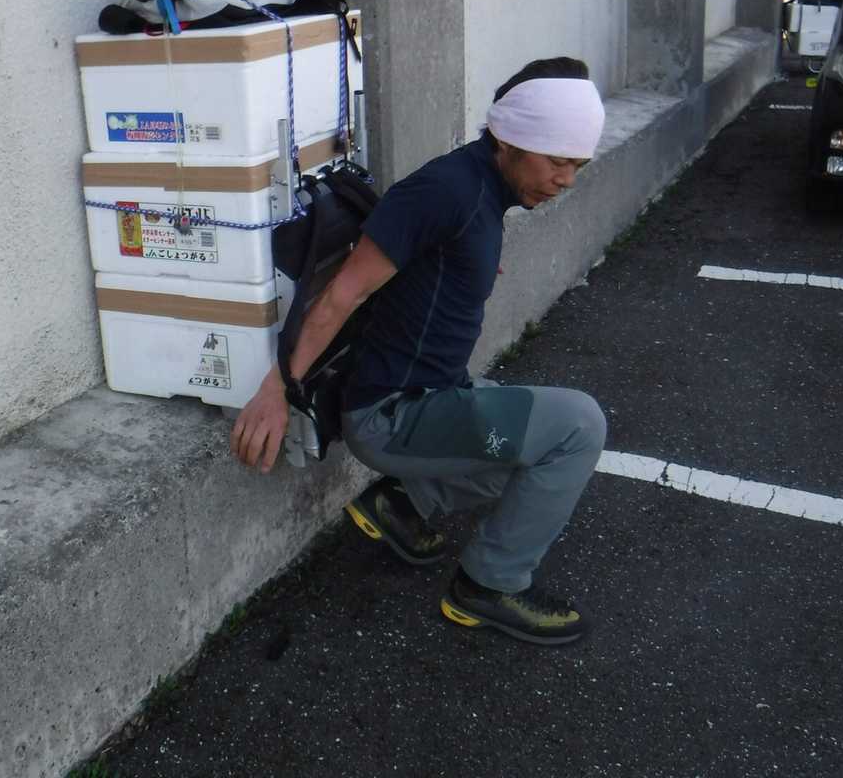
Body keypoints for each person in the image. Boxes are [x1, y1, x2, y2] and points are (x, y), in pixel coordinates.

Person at [231, 57, 608, 646]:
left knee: (535, 454)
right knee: (578, 427)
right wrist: (278, 388)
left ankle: (403, 506)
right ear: (511, 140)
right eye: (557, 161)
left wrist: (465, 263)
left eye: (577, 166)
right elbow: (342, 295)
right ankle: (488, 587)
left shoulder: (485, 187)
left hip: (434, 395)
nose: (567, 180)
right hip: (393, 414)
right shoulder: (445, 191)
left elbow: (430, 255)